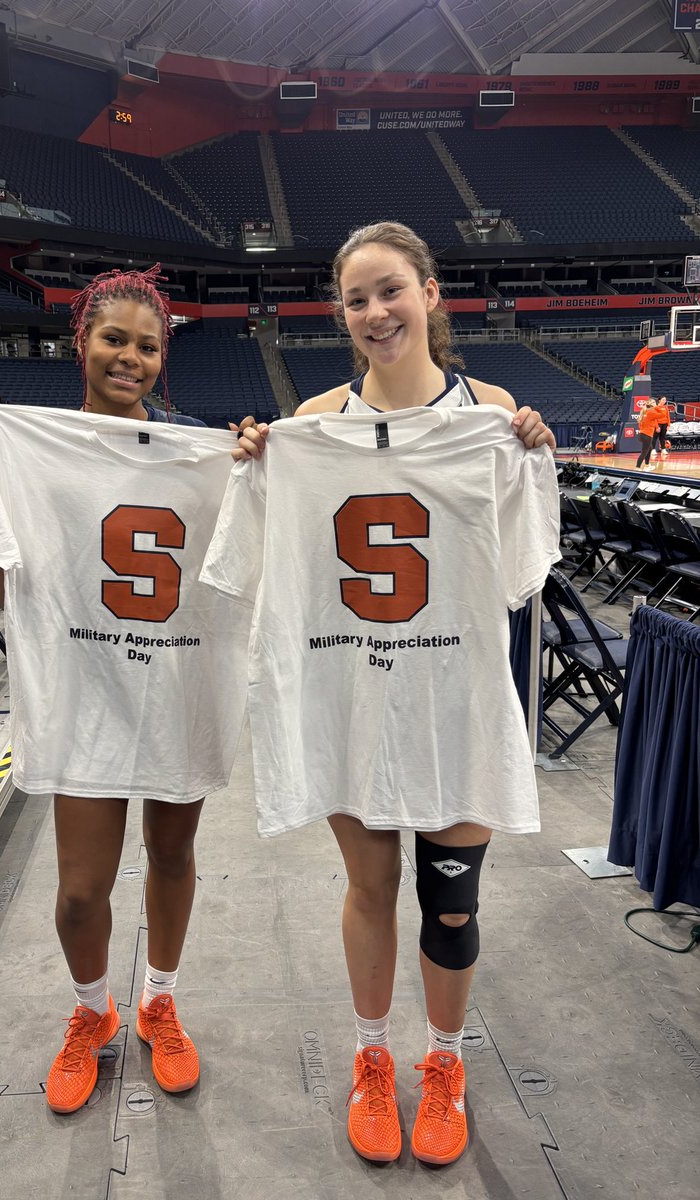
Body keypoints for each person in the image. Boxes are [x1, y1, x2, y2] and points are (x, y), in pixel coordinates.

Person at [231, 221, 557, 1169]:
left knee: (451, 904)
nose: (376, 313)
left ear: (430, 294)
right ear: (341, 314)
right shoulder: (312, 424)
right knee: (370, 888)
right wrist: (259, 462)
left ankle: (445, 1064)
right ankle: (372, 1060)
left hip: (455, 700)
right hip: (356, 701)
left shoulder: (492, 416)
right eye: (357, 299)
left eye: (391, 291)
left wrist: (530, 456)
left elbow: (520, 569)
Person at [0, 265, 256, 1115]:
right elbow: (3, 591)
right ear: (80, 342)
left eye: (148, 347)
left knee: (172, 856)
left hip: (176, 686)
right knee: (82, 890)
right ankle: (91, 1012)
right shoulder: (35, 452)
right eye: (115, 339)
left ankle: (159, 1000)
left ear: (162, 360)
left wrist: (253, 468)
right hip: (85, 692)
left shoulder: (202, 459)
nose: (130, 358)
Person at [636, 398, 657, 470]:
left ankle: (647, 465)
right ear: (651, 404)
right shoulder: (651, 412)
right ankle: (637, 467)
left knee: (650, 448)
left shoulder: (645, 413)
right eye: (654, 402)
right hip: (647, 435)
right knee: (644, 452)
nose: (655, 403)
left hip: (642, 434)